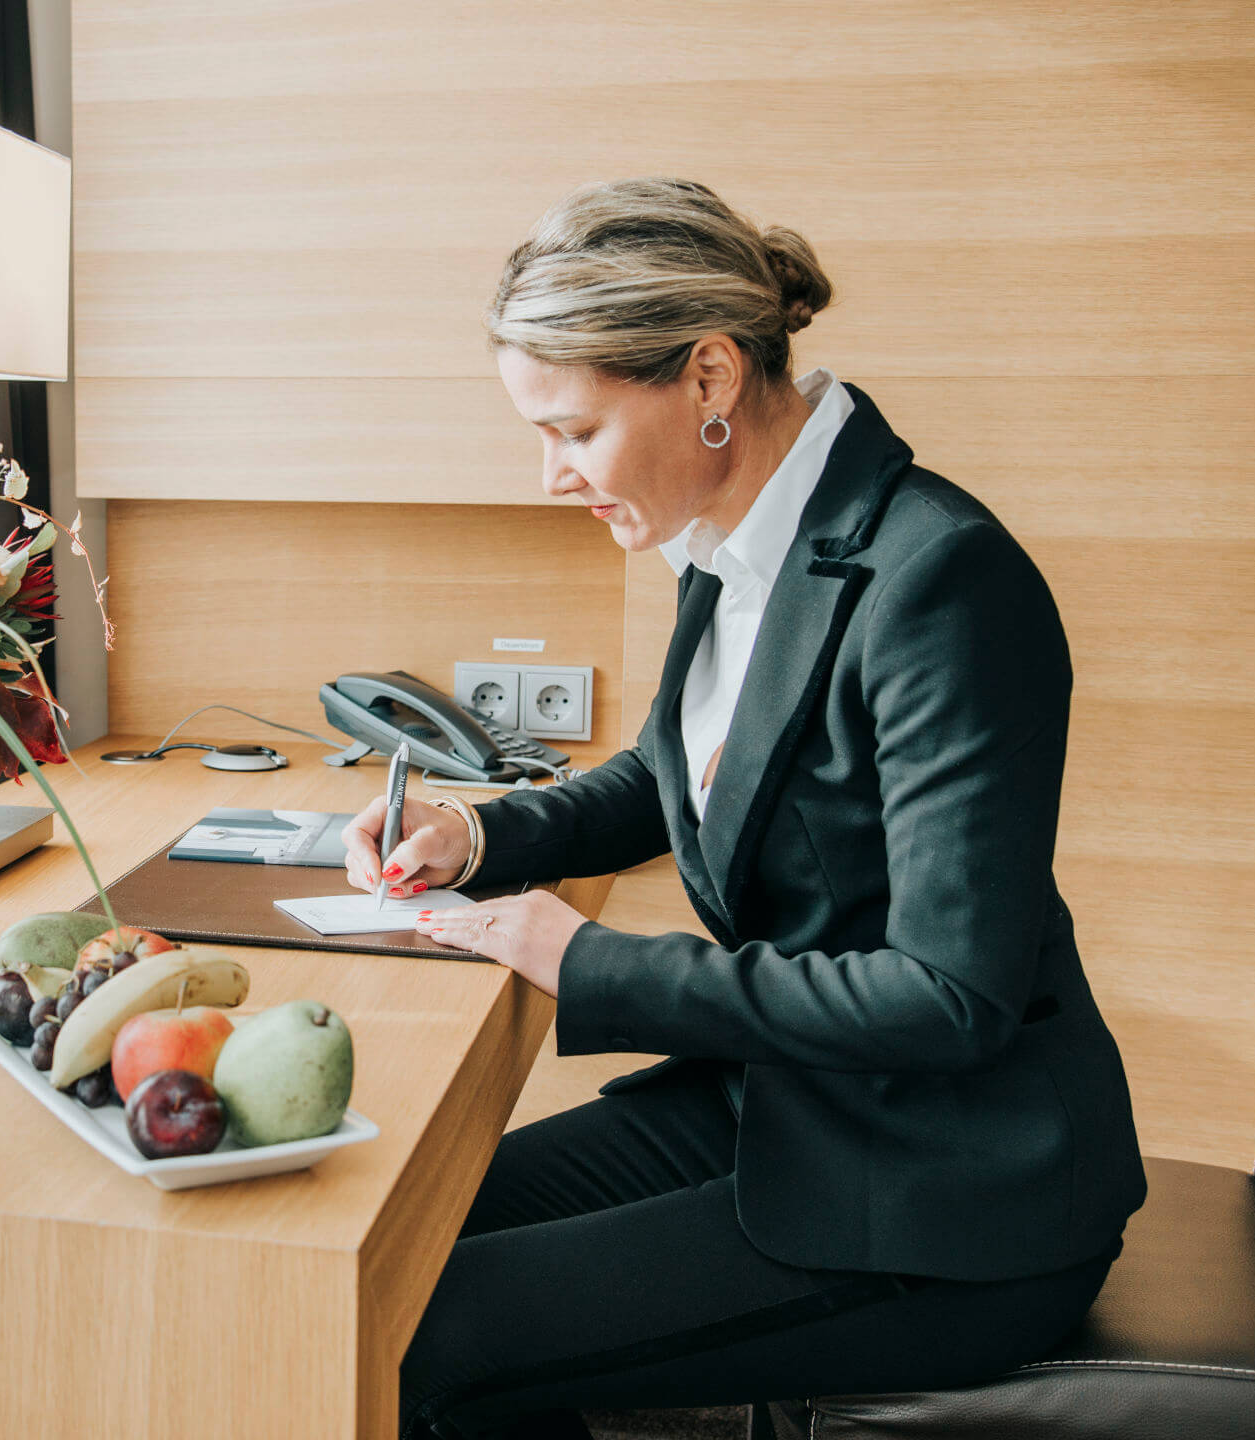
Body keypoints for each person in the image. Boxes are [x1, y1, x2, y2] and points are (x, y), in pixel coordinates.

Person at [341, 178, 1146, 1440]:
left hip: (948, 1185)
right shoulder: (735, 542)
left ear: (709, 378)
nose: (551, 476)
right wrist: (483, 833)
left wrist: (588, 960)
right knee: (380, 1241)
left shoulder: (939, 580)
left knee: (413, 1338)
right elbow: (682, 771)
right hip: (793, 1101)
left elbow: (951, 997)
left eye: (573, 431)